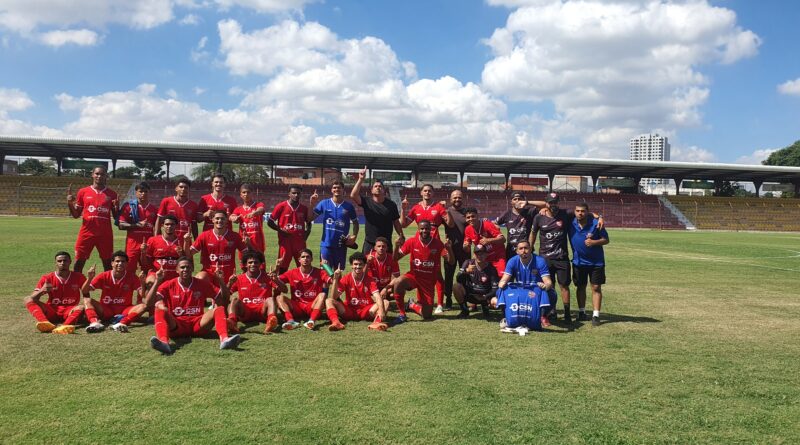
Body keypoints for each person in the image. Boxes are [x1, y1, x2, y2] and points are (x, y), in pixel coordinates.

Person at [532, 192, 604, 323]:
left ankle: (567, 313)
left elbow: (584, 212)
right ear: (546, 203)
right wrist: (530, 247)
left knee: (564, 286)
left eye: (555, 202)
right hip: (545, 258)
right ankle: (551, 311)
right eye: (550, 203)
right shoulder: (539, 217)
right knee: (549, 285)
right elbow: (533, 233)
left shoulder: (566, 214)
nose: (553, 205)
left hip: (562, 258)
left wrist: (599, 217)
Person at [146, 257, 239, 354]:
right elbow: (148, 303)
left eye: (188, 267)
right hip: (177, 325)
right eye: (182, 267)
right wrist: (157, 281)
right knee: (160, 310)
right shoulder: (168, 284)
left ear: (192, 269)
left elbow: (224, 299)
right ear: (177, 270)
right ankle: (164, 342)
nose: (185, 269)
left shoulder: (202, 283)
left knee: (219, 309)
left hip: (197, 324)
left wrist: (220, 281)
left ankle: (224, 340)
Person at [392, 220, 455, 322]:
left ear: (431, 230)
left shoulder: (438, 244)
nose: (424, 231)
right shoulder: (412, 241)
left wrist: (449, 249)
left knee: (427, 315)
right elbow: (395, 259)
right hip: (414, 276)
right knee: (398, 282)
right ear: (418, 230)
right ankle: (402, 314)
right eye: (422, 229)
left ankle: (412, 305)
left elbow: (451, 261)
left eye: (427, 228)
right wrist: (396, 246)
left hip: (428, 282)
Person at [400, 184, 449, 313]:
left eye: (429, 191)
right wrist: (403, 209)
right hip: (419, 243)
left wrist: (445, 209)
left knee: (437, 273)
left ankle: (440, 304)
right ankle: (420, 301)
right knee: (419, 272)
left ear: (433, 193)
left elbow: (449, 223)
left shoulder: (438, 207)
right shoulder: (416, 208)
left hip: (434, 245)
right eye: (425, 190)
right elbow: (404, 224)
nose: (427, 193)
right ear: (421, 193)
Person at [67, 166, 118, 273]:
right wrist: (70, 203)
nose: (99, 176)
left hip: (105, 234)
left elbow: (116, 217)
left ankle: (107, 284)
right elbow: (76, 215)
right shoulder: (83, 192)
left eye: (102, 174)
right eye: (97, 174)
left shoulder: (112, 194)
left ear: (106, 176)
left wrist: (117, 207)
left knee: (108, 264)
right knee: (79, 263)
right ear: (92, 174)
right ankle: (78, 284)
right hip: (86, 233)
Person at [81, 252, 147, 333]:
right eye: (117, 261)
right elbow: (84, 291)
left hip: (124, 310)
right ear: (112, 263)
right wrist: (89, 278)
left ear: (127, 264)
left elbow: (143, 295)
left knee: (143, 306)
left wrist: (142, 283)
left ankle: (121, 324)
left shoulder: (132, 277)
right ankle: (95, 323)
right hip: (106, 309)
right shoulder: (104, 275)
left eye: (123, 261)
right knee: (87, 300)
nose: (120, 263)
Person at [567, 202, 609, 327]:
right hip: (578, 262)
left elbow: (606, 240)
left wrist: (594, 242)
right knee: (580, 287)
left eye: (583, 211)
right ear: (574, 211)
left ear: (587, 212)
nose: (580, 213)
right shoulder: (570, 223)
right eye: (578, 211)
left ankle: (596, 315)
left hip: (596, 262)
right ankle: (582, 312)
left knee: (596, 287)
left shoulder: (596, 223)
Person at [24, 251, 86, 334]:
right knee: (27, 299)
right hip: (51, 311)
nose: (62, 263)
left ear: (70, 262)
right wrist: (42, 290)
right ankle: (45, 323)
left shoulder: (79, 277)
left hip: (70, 311)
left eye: (65, 260)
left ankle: (64, 326)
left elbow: (86, 294)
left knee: (81, 307)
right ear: (55, 263)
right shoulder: (47, 278)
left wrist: (90, 279)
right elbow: (32, 299)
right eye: (59, 261)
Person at [325, 252, 389, 331]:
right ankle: (336, 322)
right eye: (355, 264)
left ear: (364, 265)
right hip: (349, 311)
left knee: (385, 302)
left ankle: (376, 323)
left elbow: (377, 296)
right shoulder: (346, 278)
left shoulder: (370, 280)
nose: (358, 266)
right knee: (329, 300)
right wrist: (335, 279)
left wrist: (382, 311)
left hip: (366, 311)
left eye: (360, 264)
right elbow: (334, 297)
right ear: (351, 265)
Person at [498, 240, 553, 327]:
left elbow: (548, 282)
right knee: (500, 290)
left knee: (552, 294)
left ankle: (543, 316)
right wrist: (502, 283)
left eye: (526, 248)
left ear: (530, 249)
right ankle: (506, 316)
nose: (523, 251)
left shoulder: (540, 261)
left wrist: (545, 286)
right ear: (517, 251)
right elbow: (504, 279)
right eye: (521, 248)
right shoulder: (512, 261)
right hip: (521, 290)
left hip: (535, 290)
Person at [349, 166, 403, 254]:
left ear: (384, 191)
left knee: (387, 263)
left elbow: (396, 222)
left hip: (385, 243)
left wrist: (401, 235)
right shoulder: (366, 202)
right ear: (371, 190)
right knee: (367, 262)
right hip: (370, 243)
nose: (378, 187)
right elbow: (353, 195)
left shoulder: (391, 205)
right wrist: (361, 179)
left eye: (380, 186)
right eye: (375, 186)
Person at [273, 249, 330, 331]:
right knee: (279, 298)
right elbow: (275, 280)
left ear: (311, 259)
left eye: (308, 257)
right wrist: (277, 267)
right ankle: (290, 321)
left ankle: (311, 321)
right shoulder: (292, 272)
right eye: (303, 257)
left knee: (322, 294)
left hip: (312, 305)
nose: (305, 259)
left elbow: (333, 280)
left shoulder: (320, 272)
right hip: (297, 306)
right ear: (299, 260)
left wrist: (327, 268)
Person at [226, 250, 280, 335]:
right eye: (250, 262)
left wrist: (276, 280)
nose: (253, 264)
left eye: (256, 262)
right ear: (245, 264)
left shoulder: (267, 277)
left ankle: (271, 321)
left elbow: (285, 290)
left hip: (262, 311)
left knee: (270, 299)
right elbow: (225, 295)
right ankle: (232, 322)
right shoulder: (239, 278)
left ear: (261, 264)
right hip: (245, 312)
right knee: (234, 300)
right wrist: (229, 283)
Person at [189, 210, 249, 284]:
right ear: (212, 220)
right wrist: (186, 241)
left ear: (227, 220)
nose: (220, 221)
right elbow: (189, 253)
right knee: (200, 278)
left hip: (228, 274)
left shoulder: (235, 236)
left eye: (222, 219)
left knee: (227, 290)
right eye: (217, 218)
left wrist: (248, 244)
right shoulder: (204, 235)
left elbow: (247, 253)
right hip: (210, 273)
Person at [309, 180, 359, 270]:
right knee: (326, 272)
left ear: (343, 190)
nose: (337, 189)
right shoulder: (324, 203)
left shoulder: (349, 206)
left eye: (339, 187)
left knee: (338, 272)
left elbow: (355, 223)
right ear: (331, 190)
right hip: (326, 245)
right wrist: (312, 204)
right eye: (334, 188)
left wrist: (354, 236)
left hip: (341, 246)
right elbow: (310, 218)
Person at [267, 185, 312, 274]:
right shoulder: (281, 206)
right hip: (285, 242)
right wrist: (280, 230)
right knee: (282, 268)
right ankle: (280, 282)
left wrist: (307, 232)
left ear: (301, 194)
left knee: (304, 266)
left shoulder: (304, 208)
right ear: (289, 194)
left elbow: (309, 222)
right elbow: (270, 222)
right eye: (293, 193)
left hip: (299, 242)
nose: (296, 195)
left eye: (298, 193)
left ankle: (303, 283)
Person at [118, 182, 158, 274]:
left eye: (146, 191)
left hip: (148, 244)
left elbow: (158, 228)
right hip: (132, 244)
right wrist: (136, 225)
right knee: (129, 270)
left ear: (149, 193)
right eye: (140, 191)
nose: (143, 193)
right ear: (136, 193)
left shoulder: (154, 209)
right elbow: (121, 225)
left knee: (148, 271)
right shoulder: (129, 206)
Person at [453, 244, 499, 319]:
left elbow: (495, 289)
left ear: (486, 255)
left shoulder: (491, 268)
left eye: (482, 254)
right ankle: (464, 310)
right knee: (456, 286)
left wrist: (485, 297)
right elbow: (458, 278)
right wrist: (466, 271)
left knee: (496, 302)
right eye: (477, 254)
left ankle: (485, 307)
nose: (480, 256)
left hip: (485, 296)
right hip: (471, 294)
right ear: (474, 255)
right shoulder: (468, 263)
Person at [142, 215, 187, 290]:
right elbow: (145, 263)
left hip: (175, 274)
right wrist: (143, 253)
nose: (169, 226)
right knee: (150, 282)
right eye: (167, 224)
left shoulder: (182, 240)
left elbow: (188, 262)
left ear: (176, 226)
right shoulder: (153, 240)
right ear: (162, 225)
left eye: (172, 224)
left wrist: (181, 254)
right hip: (157, 272)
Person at [494, 192, 543, 260]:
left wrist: (527, 202)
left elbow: (544, 204)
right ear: (511, 202)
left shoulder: (530, 212)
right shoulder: (507, 214)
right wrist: (497, 230)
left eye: (520, 199)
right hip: (511, 250)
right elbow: (494, 223)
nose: (517, 201)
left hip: (526, 249)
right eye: (515, 199)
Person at [443, 189, 468, 310]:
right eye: (455, 197)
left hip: (464, 249)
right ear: (450, 199)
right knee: (448, 275)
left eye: (459, 197)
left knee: (465, 275)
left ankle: (465, 299)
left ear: (463, 199)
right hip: (450, 249)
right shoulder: (445, 211)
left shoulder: (467, 212)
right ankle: (448, 299)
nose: (457, 199)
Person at [463, 207, 507, 276]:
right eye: (468, 217)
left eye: (473, 216)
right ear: (465, 219)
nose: (471, 219)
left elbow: (503, 239)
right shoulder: (467, 229)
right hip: (484, 259)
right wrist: (466, 246)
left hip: (498, 257)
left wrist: (489, 240)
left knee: (501, 277)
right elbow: (467, 249)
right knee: (482, 278)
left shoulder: (487, 224)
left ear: (477, 216)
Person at [230, 183, 266, 262]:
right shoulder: (238, 209)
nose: (246, 194)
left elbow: (261, 209)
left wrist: (254, 213)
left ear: (252, 194)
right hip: (244, 241)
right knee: (244, 264)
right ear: (241, 195)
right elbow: (232, 216)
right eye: (244, 192)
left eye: (248, 192)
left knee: (259, 264)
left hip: (257, 241)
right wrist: (234, 218)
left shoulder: (258, 205)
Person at [366, 237, 400, 307]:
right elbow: (360, 275)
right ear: (375, 248)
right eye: (379, 246)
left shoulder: (392, 259)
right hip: (372, 288)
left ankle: (381, 300)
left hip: (386, 288)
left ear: (387, 248)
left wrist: (386, 288)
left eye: (383, 246)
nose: (381, 248)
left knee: (398, 288)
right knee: (363, 289)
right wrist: (367, 263)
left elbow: (396, 278)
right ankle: (375, 300)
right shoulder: (368, 258)